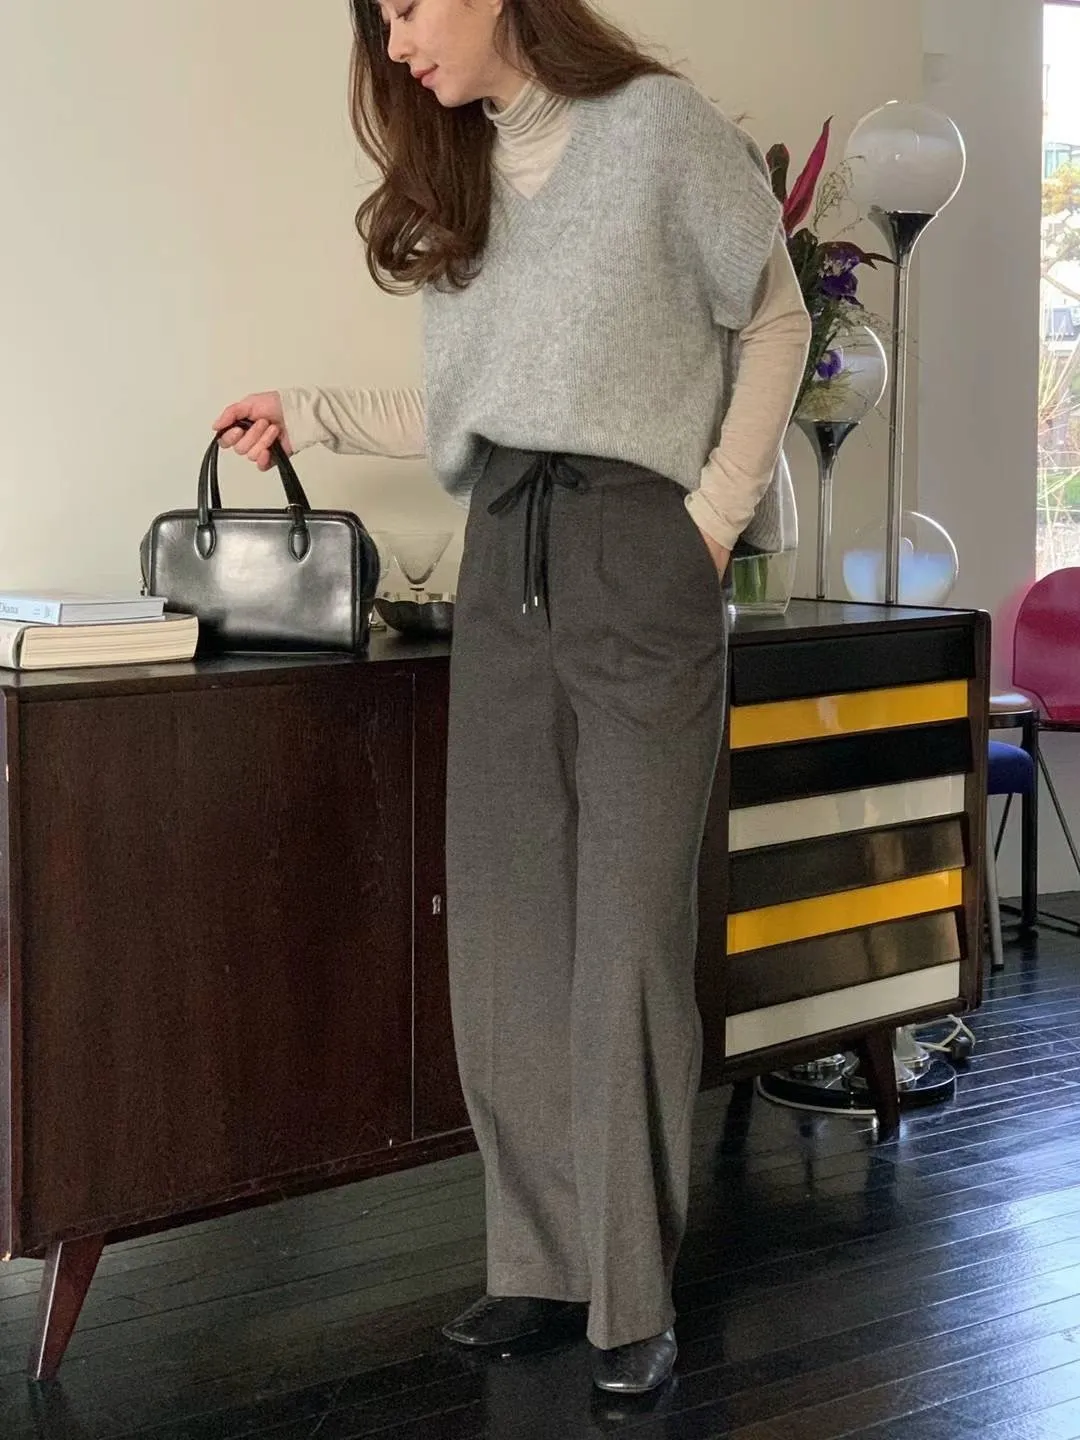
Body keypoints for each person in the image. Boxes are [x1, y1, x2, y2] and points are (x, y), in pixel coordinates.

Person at [215, 0, 810, 1396]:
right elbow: (482, 405)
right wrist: (311, 409)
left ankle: (631, 1295)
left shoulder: (656, 132)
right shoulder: (463, 176)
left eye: (407, 9)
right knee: (507, 931)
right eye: (380, 23)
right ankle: (540, 1266)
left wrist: (709, 521)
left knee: (628, 939)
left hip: (640, 551)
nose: (397, 43)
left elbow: (777, 319)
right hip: (504, 559)